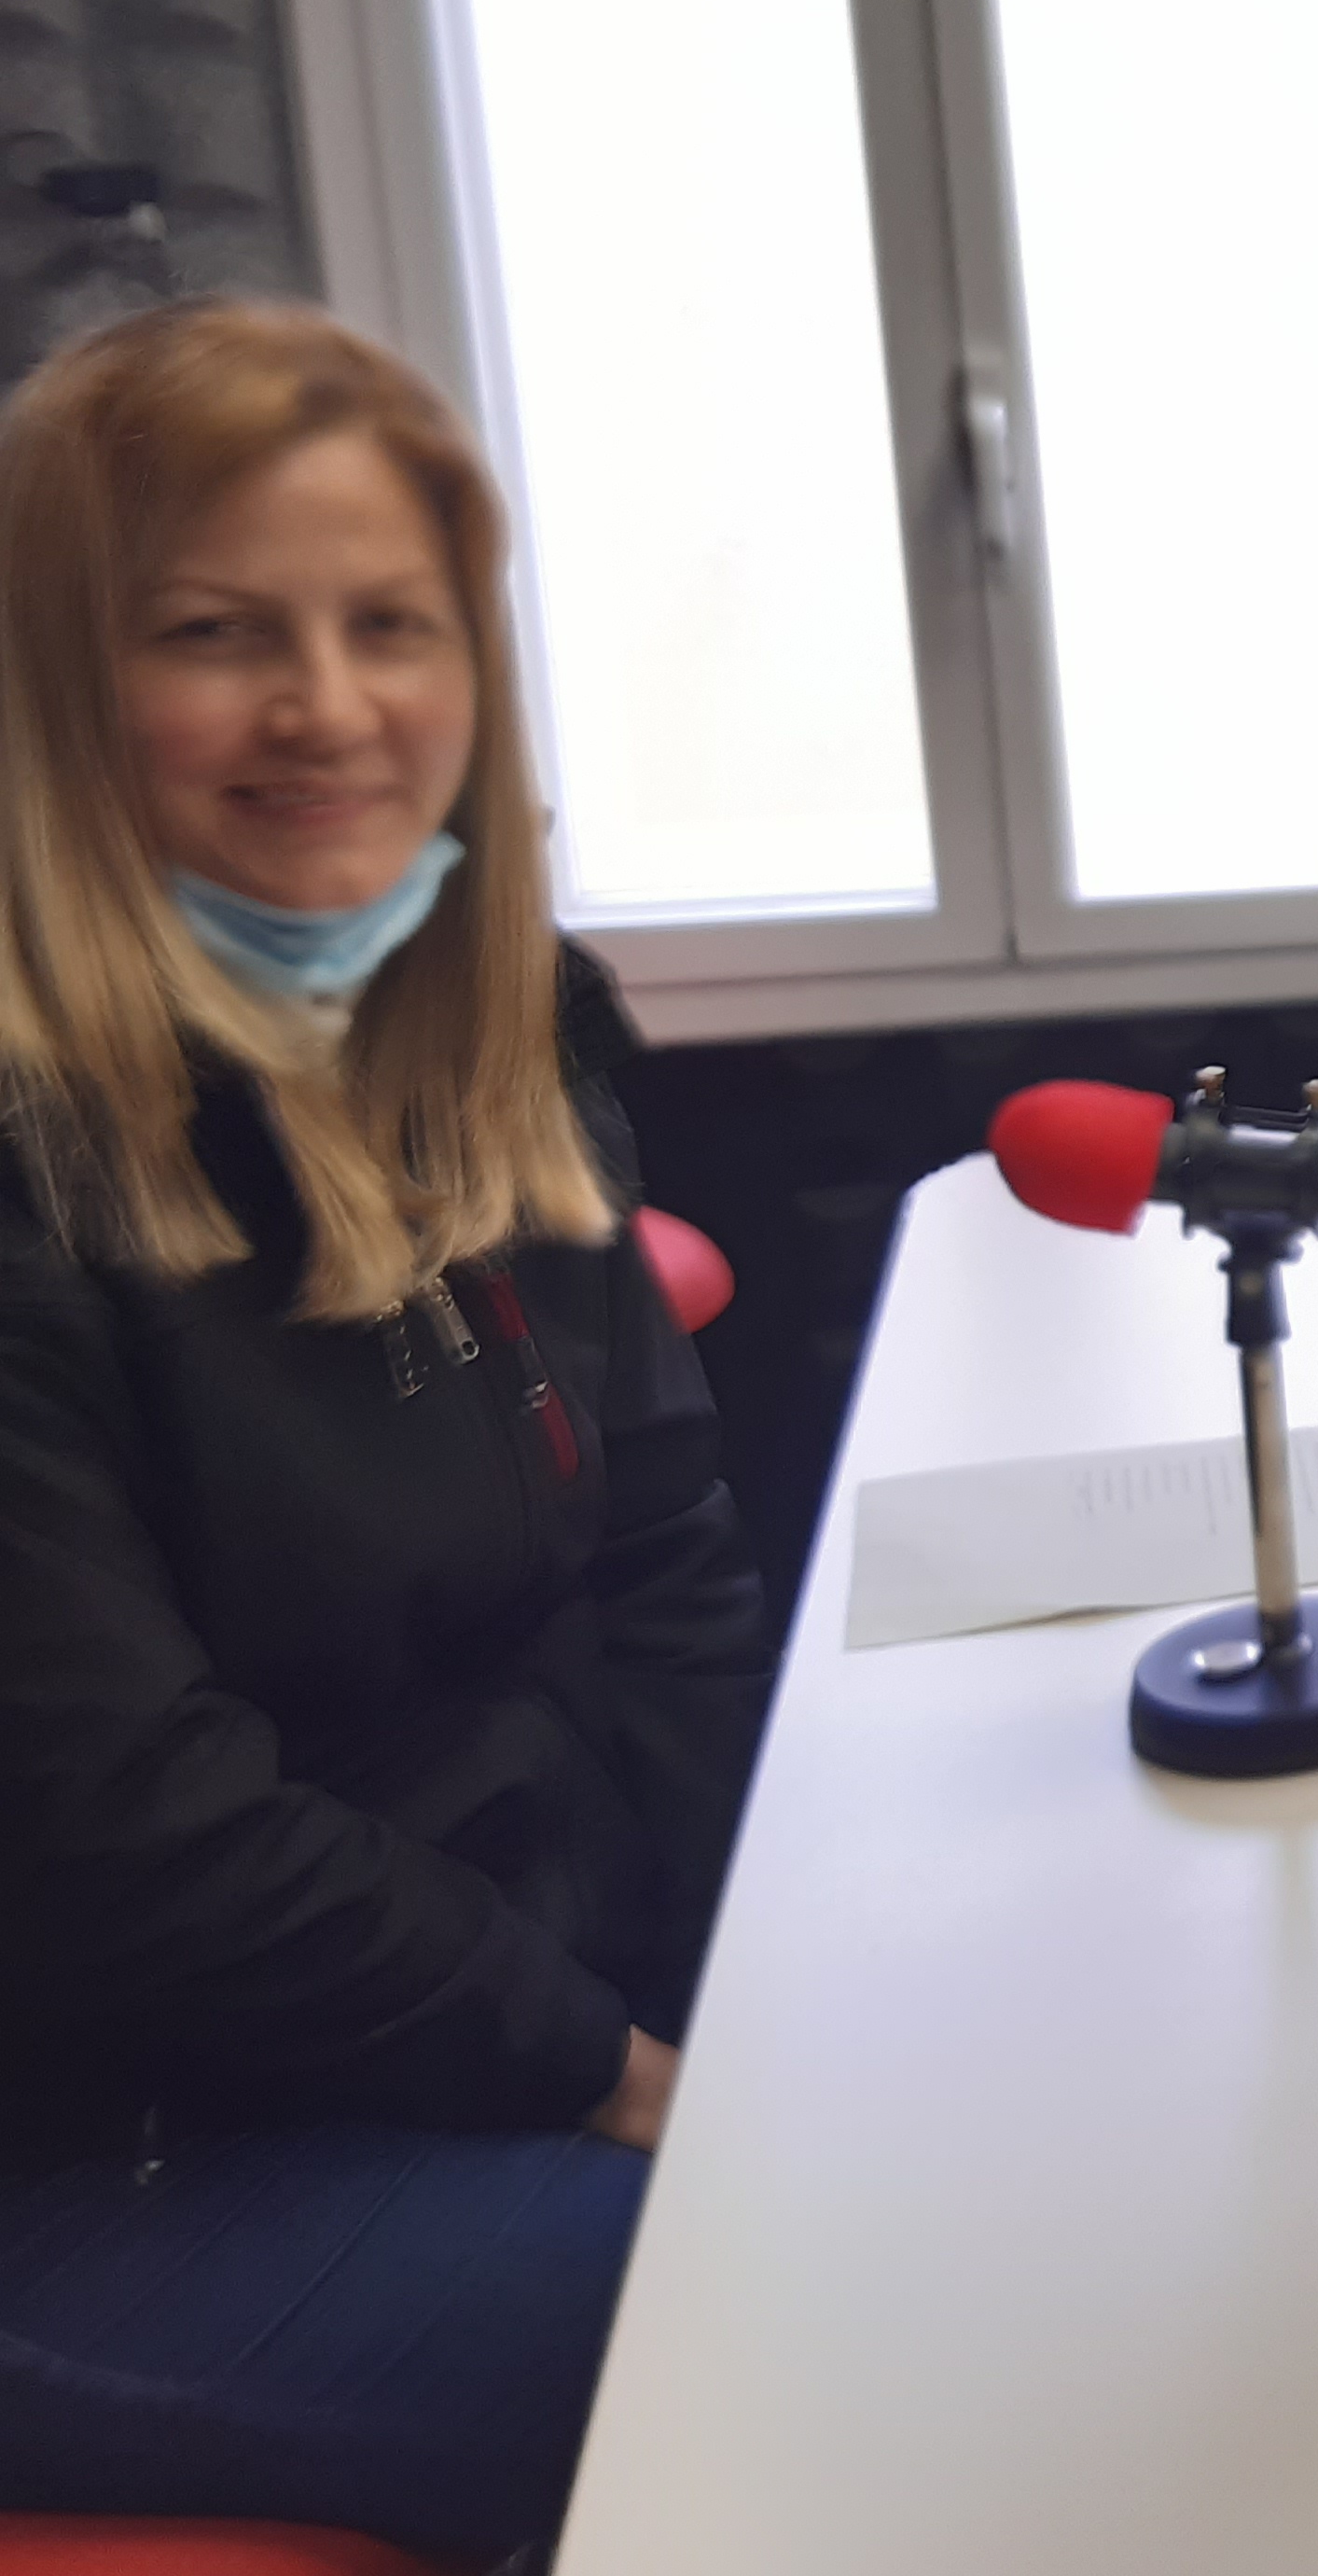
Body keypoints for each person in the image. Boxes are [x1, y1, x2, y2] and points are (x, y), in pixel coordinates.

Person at [0, 302, 770, 2558]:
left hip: (470, 2016)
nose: (328, 707)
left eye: (389, 625)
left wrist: (770, 1963)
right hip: (109, 2151)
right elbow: (149, 1841)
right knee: (824, 2309)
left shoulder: (498, 1034)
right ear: (54, 684)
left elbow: (666, 1563)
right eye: (216, 632)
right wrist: (614, 2070)